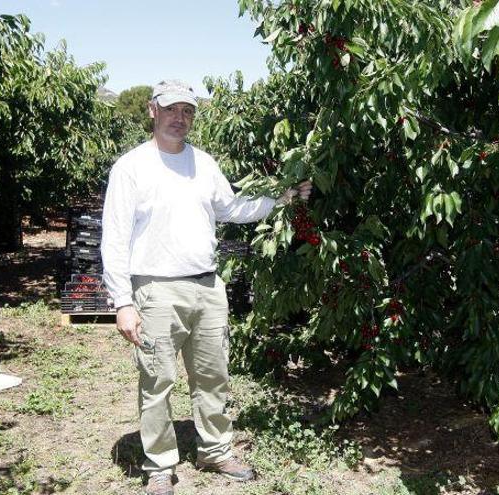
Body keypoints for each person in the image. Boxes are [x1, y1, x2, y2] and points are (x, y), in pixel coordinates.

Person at [101, 79, 311, 495]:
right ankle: (159, 464)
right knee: (157, 381)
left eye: (188, 111)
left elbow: (231, 207)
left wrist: (283, 199)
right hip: (156, 291)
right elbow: (114, 237)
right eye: (172, 109)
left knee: (213, 376)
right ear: (152, 110)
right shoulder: (131, 167)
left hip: (207, 288)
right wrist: (123, 302)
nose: (180, 118)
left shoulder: (204, 163)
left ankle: (215, 449)